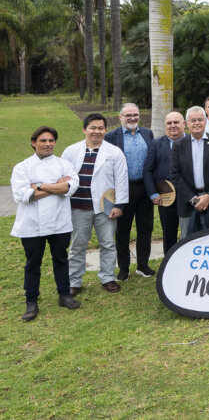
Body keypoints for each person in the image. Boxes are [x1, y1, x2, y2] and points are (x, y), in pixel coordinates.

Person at [11, 126, 81, 321]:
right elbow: (24, 195)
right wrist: (56, 187)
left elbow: (71, 187)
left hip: (59, 222)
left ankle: (64, 295)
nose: (48, 144)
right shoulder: (22, 167)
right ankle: (31, 302)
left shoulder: (64, 165)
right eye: (43, 141)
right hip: (32, 224)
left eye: (51, 140)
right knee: (33, 263)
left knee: (61, 259)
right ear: (34, 143)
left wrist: (39, 185)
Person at [61, 114, 129, 294]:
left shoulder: (114, 152)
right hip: (77, 208)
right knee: (77, 245)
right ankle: (74, 281)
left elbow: (121, 180)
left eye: (100, 128)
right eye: (93, 127)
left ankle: (107, 277)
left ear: (105, 130)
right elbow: (62, 179)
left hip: (105, 208)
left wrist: (119, 205)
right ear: (84, 129)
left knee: (107, 244)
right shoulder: (70, 151)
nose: (97, 131)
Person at [104, 103, 156, 280]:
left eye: (135, 115)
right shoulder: (111, 137)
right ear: (120, 117)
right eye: (128, 115)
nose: (132, 118)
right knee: (122, 230)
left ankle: (143, 265)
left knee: (145, 228)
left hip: (145, 189)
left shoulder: (147, 133)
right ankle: (124, 268)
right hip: (123, 190)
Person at [170, 106, 209, 239]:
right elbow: (175, 174)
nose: (197, 123)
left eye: (200, 119)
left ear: (205, 121)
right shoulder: (179, 145)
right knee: (188, 242)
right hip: (188, 203)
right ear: (186, 123)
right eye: (193, 120)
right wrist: (193, 199)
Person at [143, 111, 186, 255]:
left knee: (190, 232)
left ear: (184, 124)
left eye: (176, 122)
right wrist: (153, 194)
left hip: (189, 196)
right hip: (166, 197)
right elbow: (148, 170)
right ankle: (170, 261)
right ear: (165, 126)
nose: (173, 126)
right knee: (169, 233)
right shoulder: (156, 144)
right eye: (169, 123)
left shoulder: (193, 141)